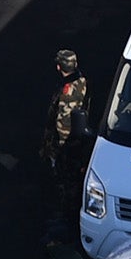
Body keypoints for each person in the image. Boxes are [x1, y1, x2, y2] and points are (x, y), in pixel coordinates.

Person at [41, 50, 89, 215]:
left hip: (67, 144)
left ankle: (64, 212)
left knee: (64, 179)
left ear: (58, 67)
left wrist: (58, 150)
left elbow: (62, 122)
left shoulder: (66, 91)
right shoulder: (82, 81)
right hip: (79, 139)